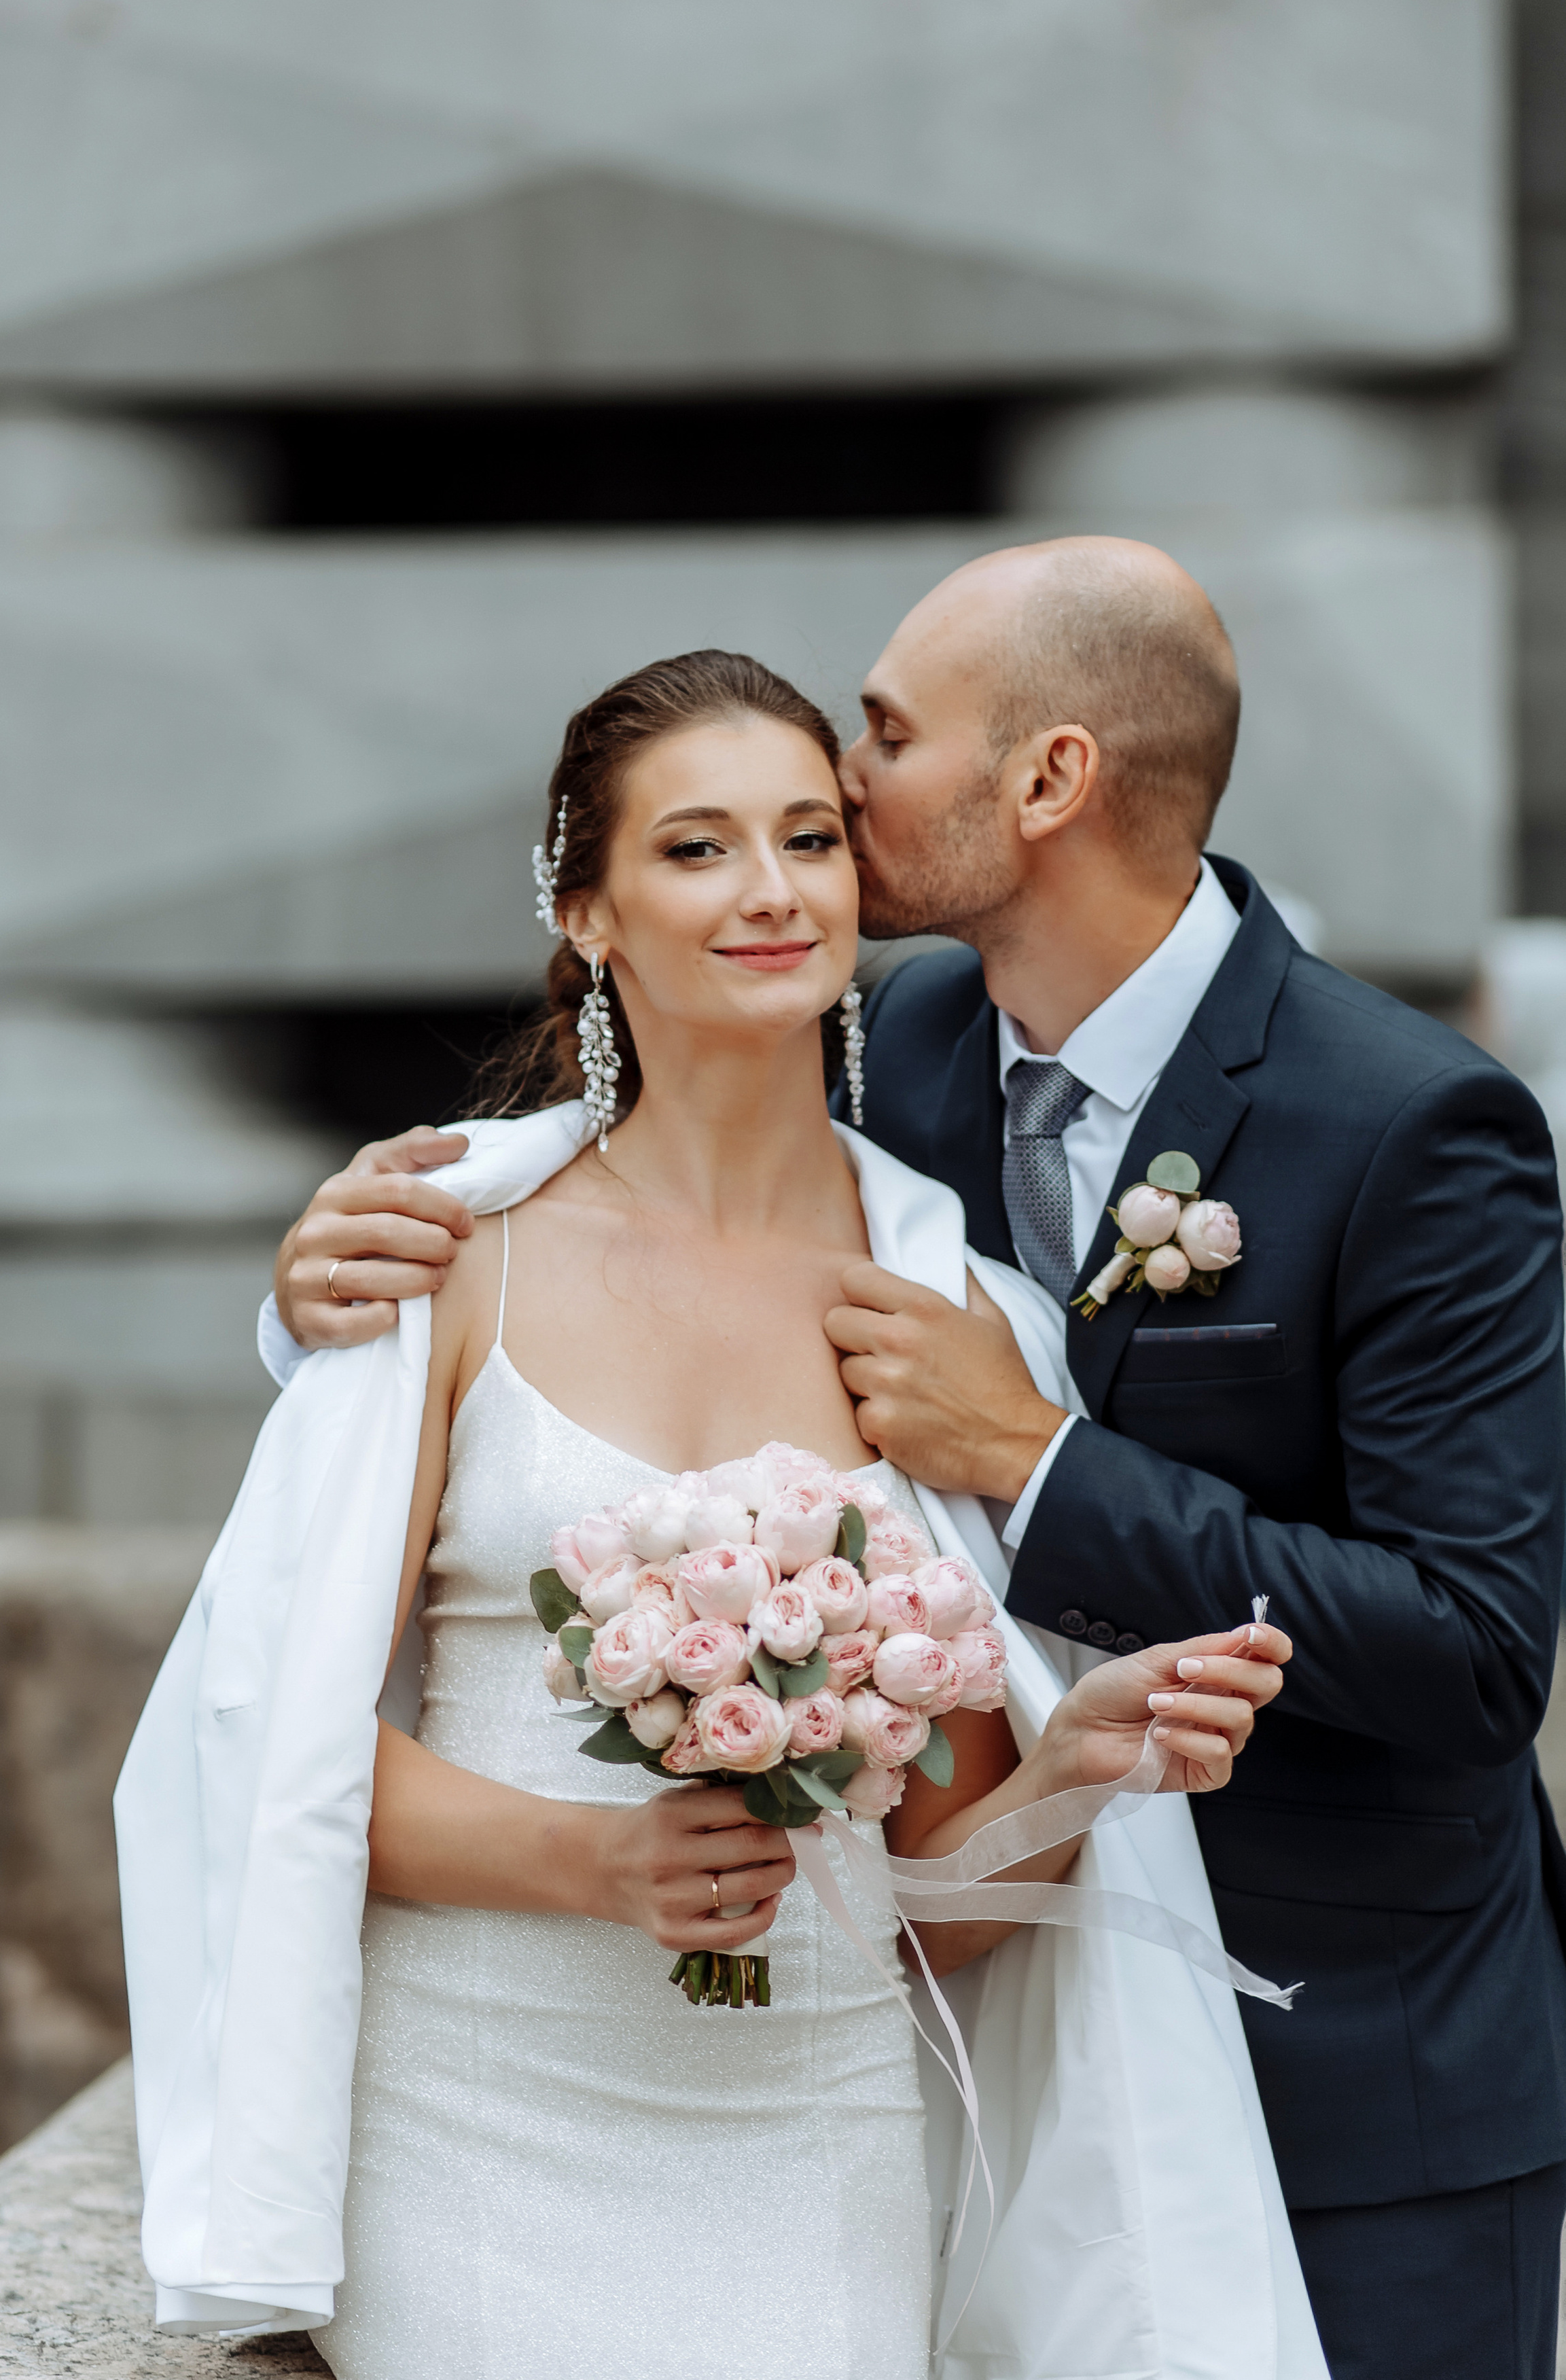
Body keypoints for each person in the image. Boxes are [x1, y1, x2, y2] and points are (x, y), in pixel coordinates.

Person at [272, 541, 1566, 2380]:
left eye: (875, 743)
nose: (835, 818)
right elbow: (626, 1183)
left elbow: (1479, 1645)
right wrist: (325, 1283)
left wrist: (1042, 1468)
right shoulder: (896, 1046)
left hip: (1364, 2072)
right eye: (715, 842)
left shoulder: (1413, 1123)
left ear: (1046, 781)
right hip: (889, 2044)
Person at [124, 649, 1311, 2379]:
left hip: (811, 2126)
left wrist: (1077, 1770)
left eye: (811, 838)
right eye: (695, 849)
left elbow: (936, 1902)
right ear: (589, 909)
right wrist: (595, 1859)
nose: (769, 892)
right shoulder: (449, 1254)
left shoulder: (944, 1314)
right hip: (477, 2116)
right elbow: (263, 1733)